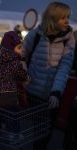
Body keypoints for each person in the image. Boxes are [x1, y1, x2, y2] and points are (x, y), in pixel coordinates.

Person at [22, 2, 75, 150]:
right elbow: (21, 58)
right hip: (32, 93)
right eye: (63, 17)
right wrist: (25, 76)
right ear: (52, 18)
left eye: (68, 17)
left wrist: (56, 92)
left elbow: (64, 68)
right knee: (36, 132)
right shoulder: (35, 35)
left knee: (45, 134)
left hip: (52, 96)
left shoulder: (68, 39)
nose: (67, 21)